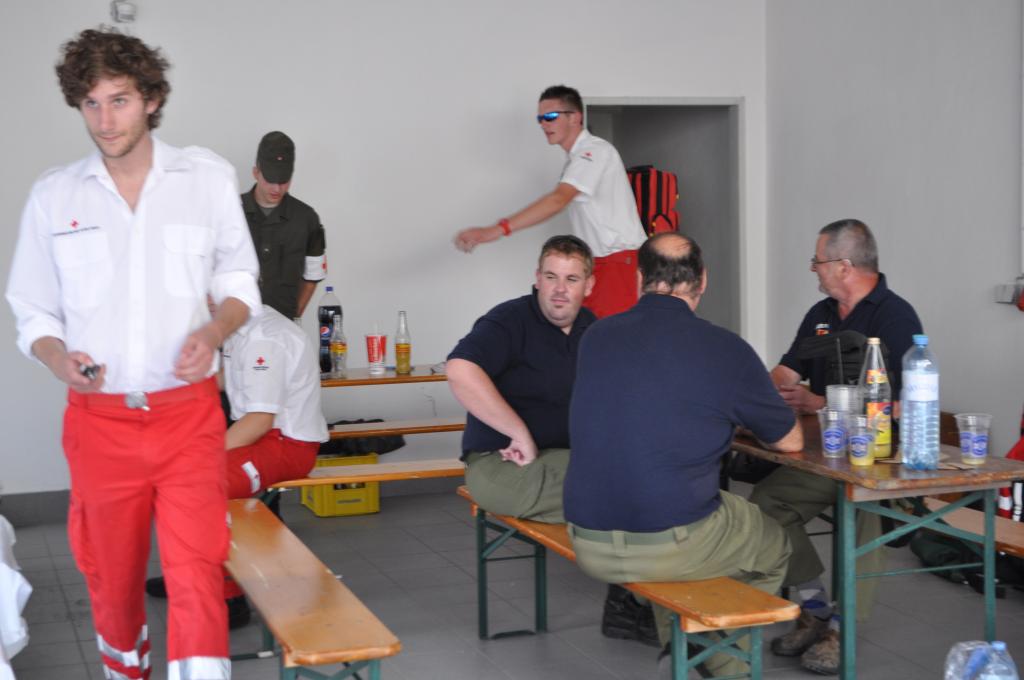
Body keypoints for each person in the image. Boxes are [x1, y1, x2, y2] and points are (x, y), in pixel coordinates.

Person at [5, 29, 260, 680]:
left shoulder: (204, 179)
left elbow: (239, 281)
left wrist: (215, 331)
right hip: (100, 425)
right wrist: (58, 359)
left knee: (197, 573)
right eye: (90, 103)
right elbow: (32, 309)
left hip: (187, 419)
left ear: (151, 98)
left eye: (118, 100)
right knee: (112, 583)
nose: (104, 120)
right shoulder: (55, 195)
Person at [564, 232, 802, 678]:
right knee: (771, 542)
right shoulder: (725, 348)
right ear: (703, 280)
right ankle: (721, 662)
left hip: (586, 536)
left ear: (639, 278)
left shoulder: (596, 336)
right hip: (667, 540)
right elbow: (789, 441)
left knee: (688, 523)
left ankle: (681, 649)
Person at [750, 218, 923, 675]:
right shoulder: (821, 314)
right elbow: (787, 369)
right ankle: (815, 608)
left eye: (817, 261)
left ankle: (840, 630)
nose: (813, 269)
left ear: (843, 266)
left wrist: (820, 402)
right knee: (767, 504)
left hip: (883, 459)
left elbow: (905, 402)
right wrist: (761, 392)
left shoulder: (896, 317)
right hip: (826, 455)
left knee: (864, 515)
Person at [145, 303, 329, 625]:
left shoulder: (264, 338)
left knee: (194, 489)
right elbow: (230, 378)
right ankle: (187, 577)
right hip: (261, 438)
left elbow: (259, 420)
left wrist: (201, 457)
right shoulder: (242, 325)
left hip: (286, 445)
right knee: (170, 477)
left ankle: (228, 597)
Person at [454, 85, 647, 319]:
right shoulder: (577, 158)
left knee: (608, 336)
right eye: (540, 119)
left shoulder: (594, 152)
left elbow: (558, 199)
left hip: (617, 262)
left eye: (551, 116)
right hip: (599, 263)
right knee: (587, 332)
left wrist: (496, 230)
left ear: (575, 117)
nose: (544, 124)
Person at [447, 235, 595, 524]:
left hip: (565, 457)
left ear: (589, 285)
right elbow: (459, 370)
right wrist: (519, 434)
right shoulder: (509, 320)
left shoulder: (592, 327)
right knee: (606, 495)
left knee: (626, 479)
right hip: (503, 461)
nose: (560, 289)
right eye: (551, 277)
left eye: (572, 279)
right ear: (538, 279)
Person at [242, 131, 327, 319]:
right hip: (237, 327)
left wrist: (293, 317)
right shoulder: (232, 212)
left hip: (283, 326)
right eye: (270, 180)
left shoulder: (307, 218)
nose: (277, 188)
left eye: (284, 181)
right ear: (256, 172)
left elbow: (313, 276)